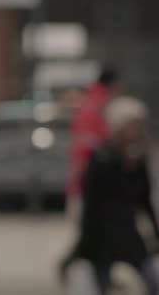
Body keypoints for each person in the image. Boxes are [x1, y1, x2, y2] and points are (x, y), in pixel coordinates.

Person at [60, 96, 159, 294]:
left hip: (129, 234)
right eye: (132, 125)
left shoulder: (137, 160)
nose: (136, 131)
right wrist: (86, 238)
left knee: (152, 282)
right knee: (101, 286)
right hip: (102, 237)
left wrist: (156, 232)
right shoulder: (101, 159)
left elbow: (144, 200)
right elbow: (91, 202)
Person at [65, 66, 120, 221]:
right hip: (97, 159)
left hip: (81, 159)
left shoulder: (89, 99)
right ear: (113, 83)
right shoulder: (104, 102)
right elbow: (109, 132)